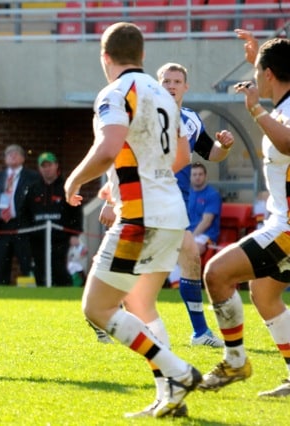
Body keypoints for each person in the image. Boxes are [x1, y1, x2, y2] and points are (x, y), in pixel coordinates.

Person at [63, 22, 201, 418]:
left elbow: (107, 149)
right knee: (141, 304)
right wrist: (122, 181)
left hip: (140, 217)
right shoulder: (163, 94)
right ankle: (169, 395)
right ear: (142, 56)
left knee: (97, 308)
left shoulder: (116, 92)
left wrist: (76, 178)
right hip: (171, 211)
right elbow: (177, 159)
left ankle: (178, 371)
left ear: (104, 57)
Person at [97, 61, 232, 350]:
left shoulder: (191, 120)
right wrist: (112, 198)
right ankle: (104, 313)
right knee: (137, 261)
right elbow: (121, 157)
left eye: (176, 81)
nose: (171, 86)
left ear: (186, 87)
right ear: (158, 85)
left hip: (173, 202)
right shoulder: (144, 117)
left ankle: (196, 332)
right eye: (166, 81)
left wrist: (225, 146)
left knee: (186, 257)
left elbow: (212, 154)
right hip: (144, 198)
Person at [199, 31, 290, 398]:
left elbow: (288, 141)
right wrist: (260, 58)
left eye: (258, 72)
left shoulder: (281, 110)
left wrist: (254, 108)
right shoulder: (282, 104)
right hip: (280, 221)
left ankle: (235, 361)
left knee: (216, 274)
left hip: (287, 228)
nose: (253, 80)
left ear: (268, 75)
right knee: (264, 294)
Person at [24, 151, 83, 287]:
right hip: (38, 238)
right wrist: (27, 233)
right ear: (39, 168)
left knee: (59, 269)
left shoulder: (66, 187)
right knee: (40, 269)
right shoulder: (33, 189)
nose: (47, 169)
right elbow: (25, 213)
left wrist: (75, 234)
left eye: (49, 165)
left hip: (61, 238)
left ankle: (64, 295)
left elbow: (76, 212)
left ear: (56, 166)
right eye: (43, 166)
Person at [0, 144, 38, 285]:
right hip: (1, 227)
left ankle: (30, 296)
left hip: (22, 227)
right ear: (4, 159)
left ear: (23, 158)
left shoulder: (32, 177)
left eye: (16, 153)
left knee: (26, 264)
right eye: (9, 153)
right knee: (1, 267)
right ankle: (2, 297)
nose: (12, 155)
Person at [187, 162, 222, 256]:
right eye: (194, 174)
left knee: (190, 250)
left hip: (205, 236)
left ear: (205, 176)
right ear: (190, 177)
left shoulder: (212, 195)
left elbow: (206, 222)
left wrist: (191, 237)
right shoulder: (187, 194)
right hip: (188, 234)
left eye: (200, 174)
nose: (197, 177)